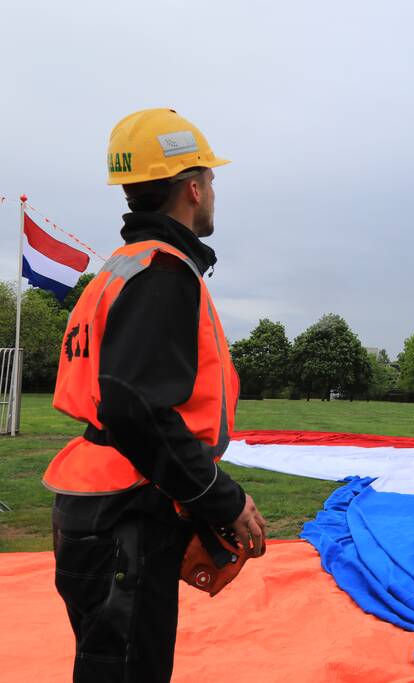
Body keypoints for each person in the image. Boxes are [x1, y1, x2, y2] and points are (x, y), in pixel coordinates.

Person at [43, 108, 267, 682]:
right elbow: (133, 405)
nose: (214, 190)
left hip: (103, 502)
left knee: (107, 665)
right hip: (126, 514)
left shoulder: (122, 268)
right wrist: (223, 497)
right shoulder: (163, 274)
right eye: (211, 179)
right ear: (192, 188)